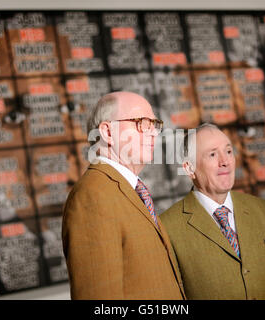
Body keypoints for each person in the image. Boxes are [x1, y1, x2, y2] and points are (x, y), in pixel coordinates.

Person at [62, 91, 185, 299]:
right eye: (142, 123)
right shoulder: (92, 197)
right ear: (108, 132)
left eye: (154, 125)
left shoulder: (129, 189)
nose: (153, 133)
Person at [160, 123, 265, 300]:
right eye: (212, 154)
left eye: (228, 152)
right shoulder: (167, 227)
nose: (225, 161)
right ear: (189, 168)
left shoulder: (263, 210)